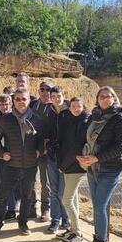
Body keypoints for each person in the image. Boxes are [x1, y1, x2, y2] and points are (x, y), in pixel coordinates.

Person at [77, 86, 122, 242]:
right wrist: (83, 157)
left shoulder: (120, 119)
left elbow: (120, 147)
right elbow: (86, 139)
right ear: (97, 99)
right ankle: (96, 241)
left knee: (100, 206)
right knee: (97, 206)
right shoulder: (94, 117)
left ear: (114, 99)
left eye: (108, 96)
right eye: (102, 96)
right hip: (93, 168)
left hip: (110, 169)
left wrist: (97, 158)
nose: (105, 99)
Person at [0, 88, 46, 237]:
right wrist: (2, 153)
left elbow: (42, 139)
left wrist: (40, 150)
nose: (21, 102)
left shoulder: (37, 119)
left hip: (30, 165)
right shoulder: (5, 119)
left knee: (27, 197)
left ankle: (23, 223)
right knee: (3, 196)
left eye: (24, 99)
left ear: (29, 100)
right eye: (18, 99)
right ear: (13, 101)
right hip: (10, 165)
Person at [55, 97, 89, 242]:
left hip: (76, 166)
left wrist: (62, 166)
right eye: (73, 106)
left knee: (66, 199)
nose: (76, 109)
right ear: (69, 108)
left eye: (79, 106)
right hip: (67, 165)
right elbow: (64, 144)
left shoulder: (85, 122)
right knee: (73, 198)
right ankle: (73, 229)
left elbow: (76, 147)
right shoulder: (68, 120)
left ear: (83, 107)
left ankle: (78, 233)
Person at [45, 85, 70, 233]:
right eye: (53, 97)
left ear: (63, 94)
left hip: (66, 158)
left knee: (63, 191)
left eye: (58, 96)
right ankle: (55, 220)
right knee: (53, 190)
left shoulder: (70, 111)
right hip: (52, 156)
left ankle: (66, 219)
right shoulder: (50, 112)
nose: (55, 99)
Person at [30, 80, 55, 222]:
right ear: (39, 91)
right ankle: (31, 208)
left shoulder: (54, 108)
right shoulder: (33, 105)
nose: (45, 92)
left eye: (48, 89)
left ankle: (45, 209)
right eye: (42, 89)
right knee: (30, 180)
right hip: (31, 150)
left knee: (45, 182)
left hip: (46, 151)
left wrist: (46, 146)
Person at [0, 94, 17, 221]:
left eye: (7, 104)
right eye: (2, 104)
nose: (4, 107)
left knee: (8, 183)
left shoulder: (15, 116)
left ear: (10, 104)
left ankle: (11, 209)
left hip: (10, 155)